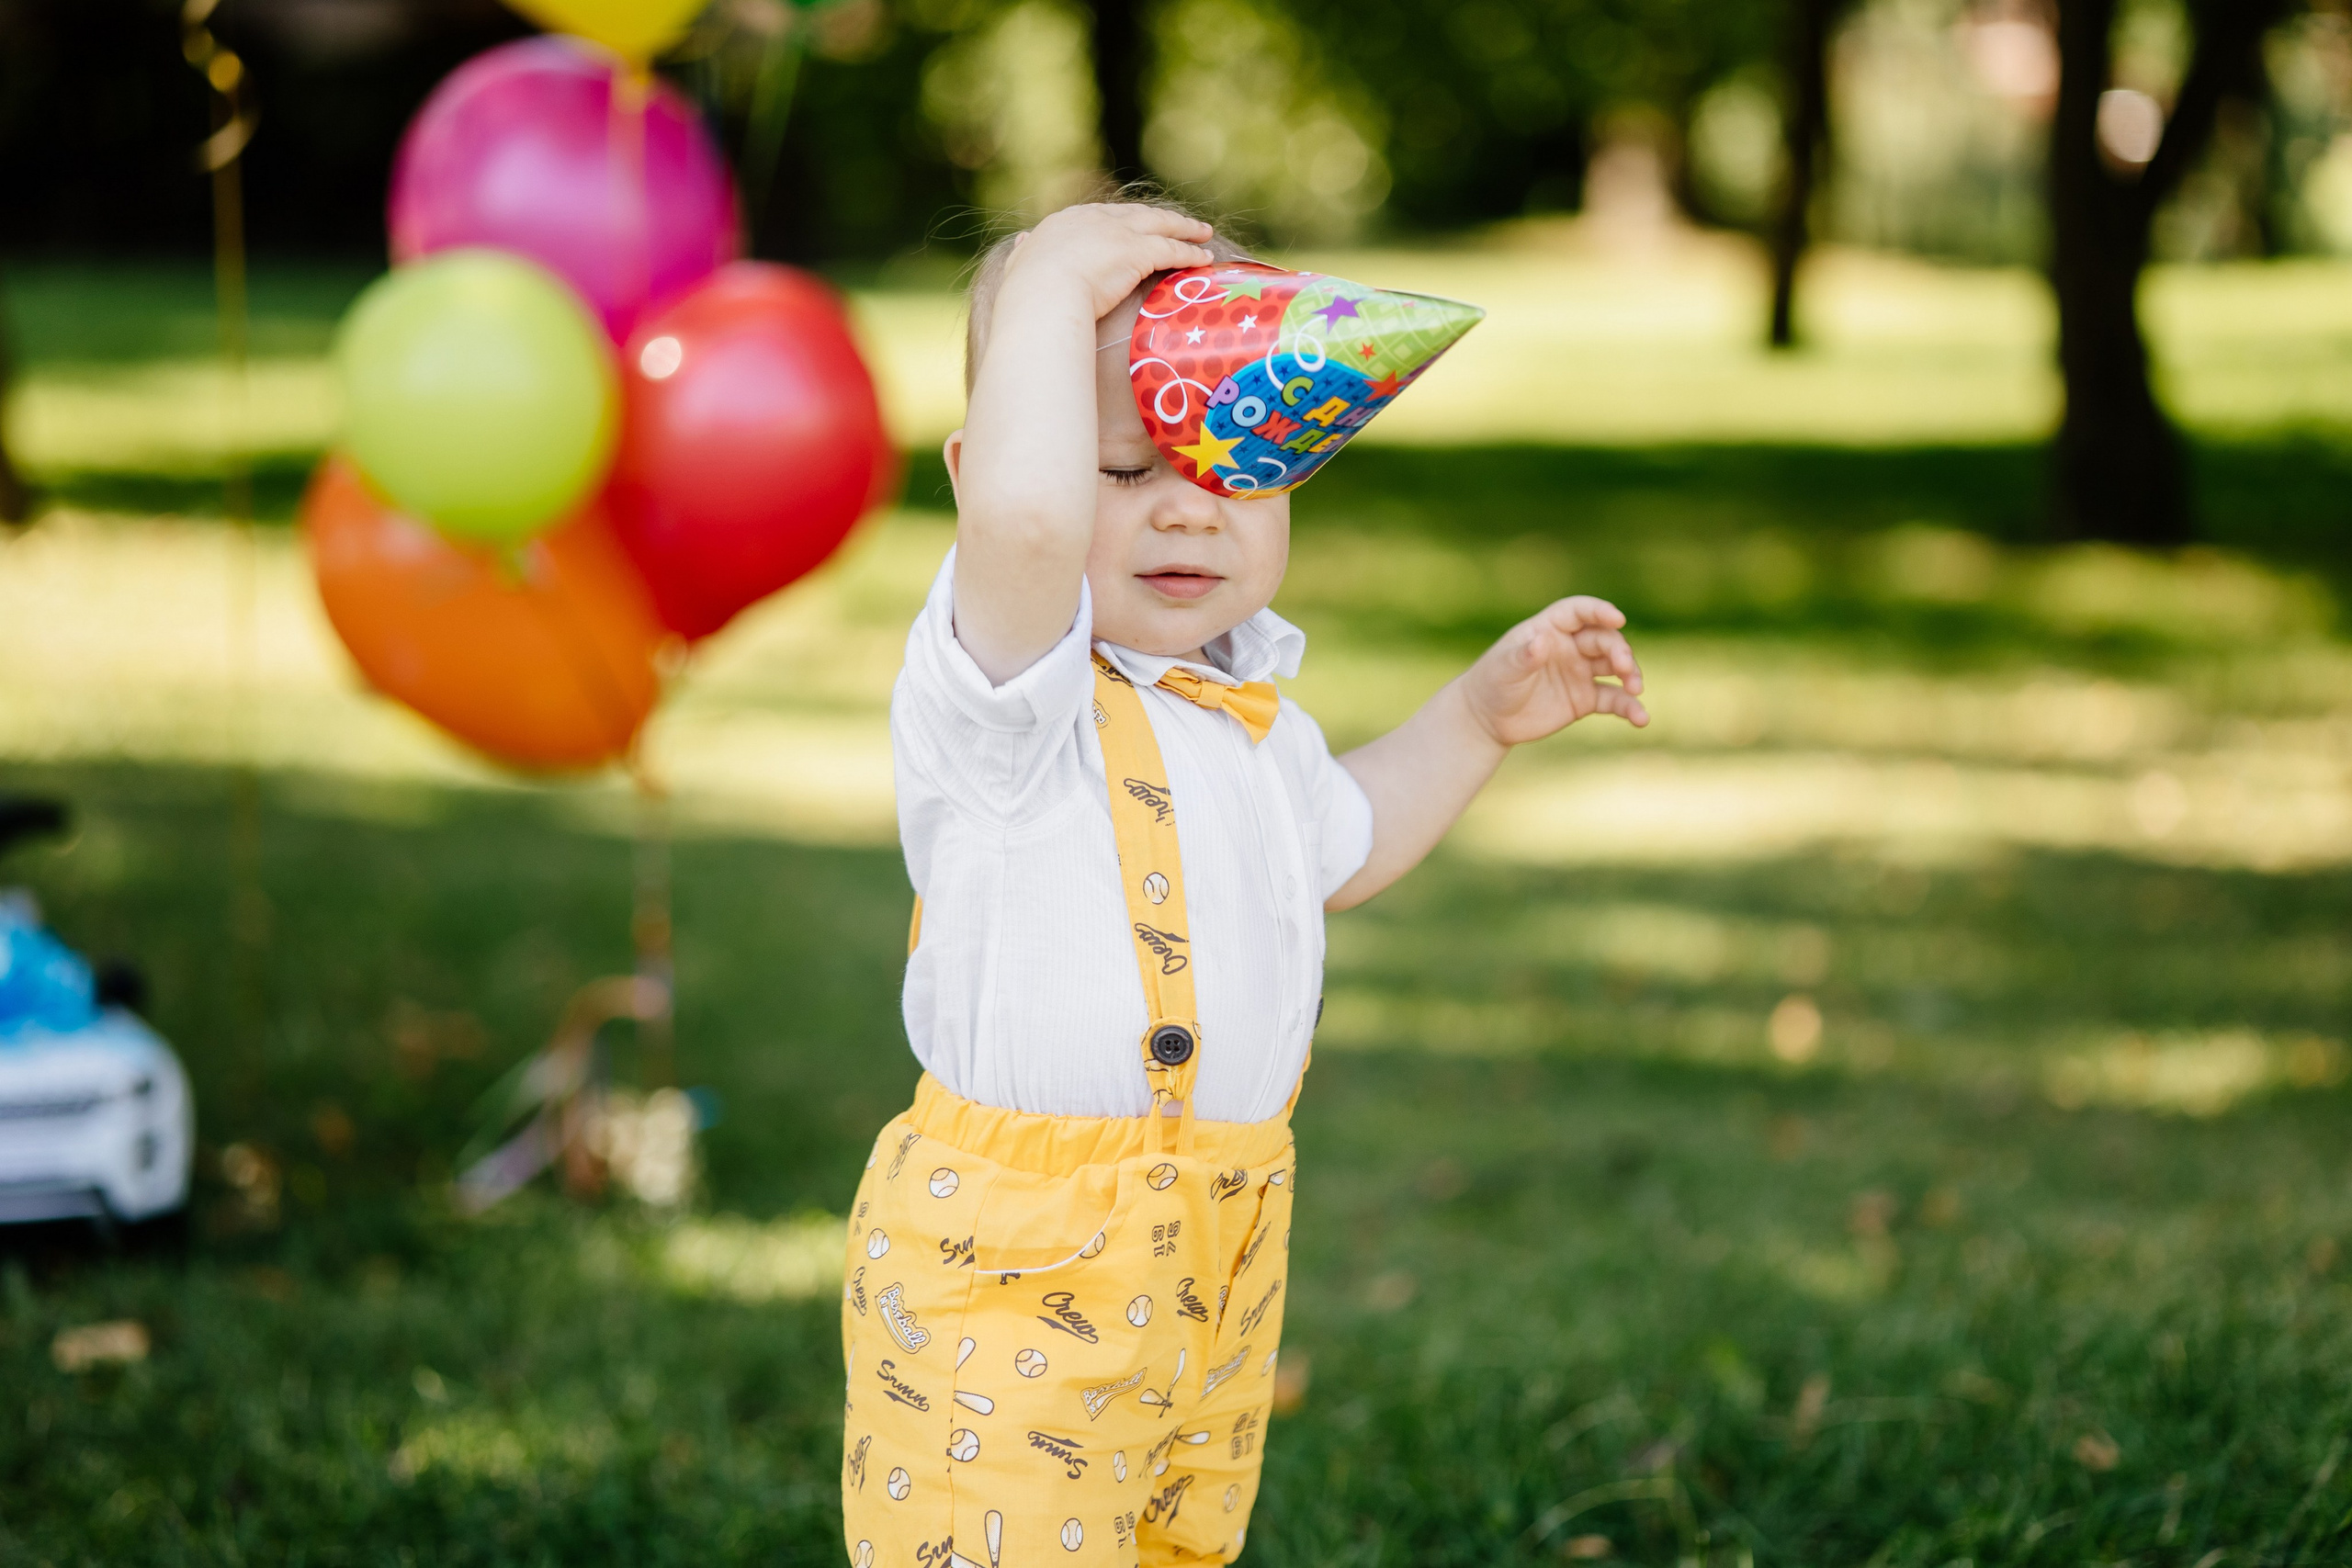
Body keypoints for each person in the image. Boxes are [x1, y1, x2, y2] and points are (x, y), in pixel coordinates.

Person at [840, 199, 1647, 1568]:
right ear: (987, 481)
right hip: (1014, 1270)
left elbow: (1341, 844)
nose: (1182, 505)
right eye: (1115, 465)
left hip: (1219, 1250)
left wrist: (1477, 718)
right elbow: (1029, 532)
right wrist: (1045, 279)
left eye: (1232, 466)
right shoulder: (1005, 702)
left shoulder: (1246, 714)